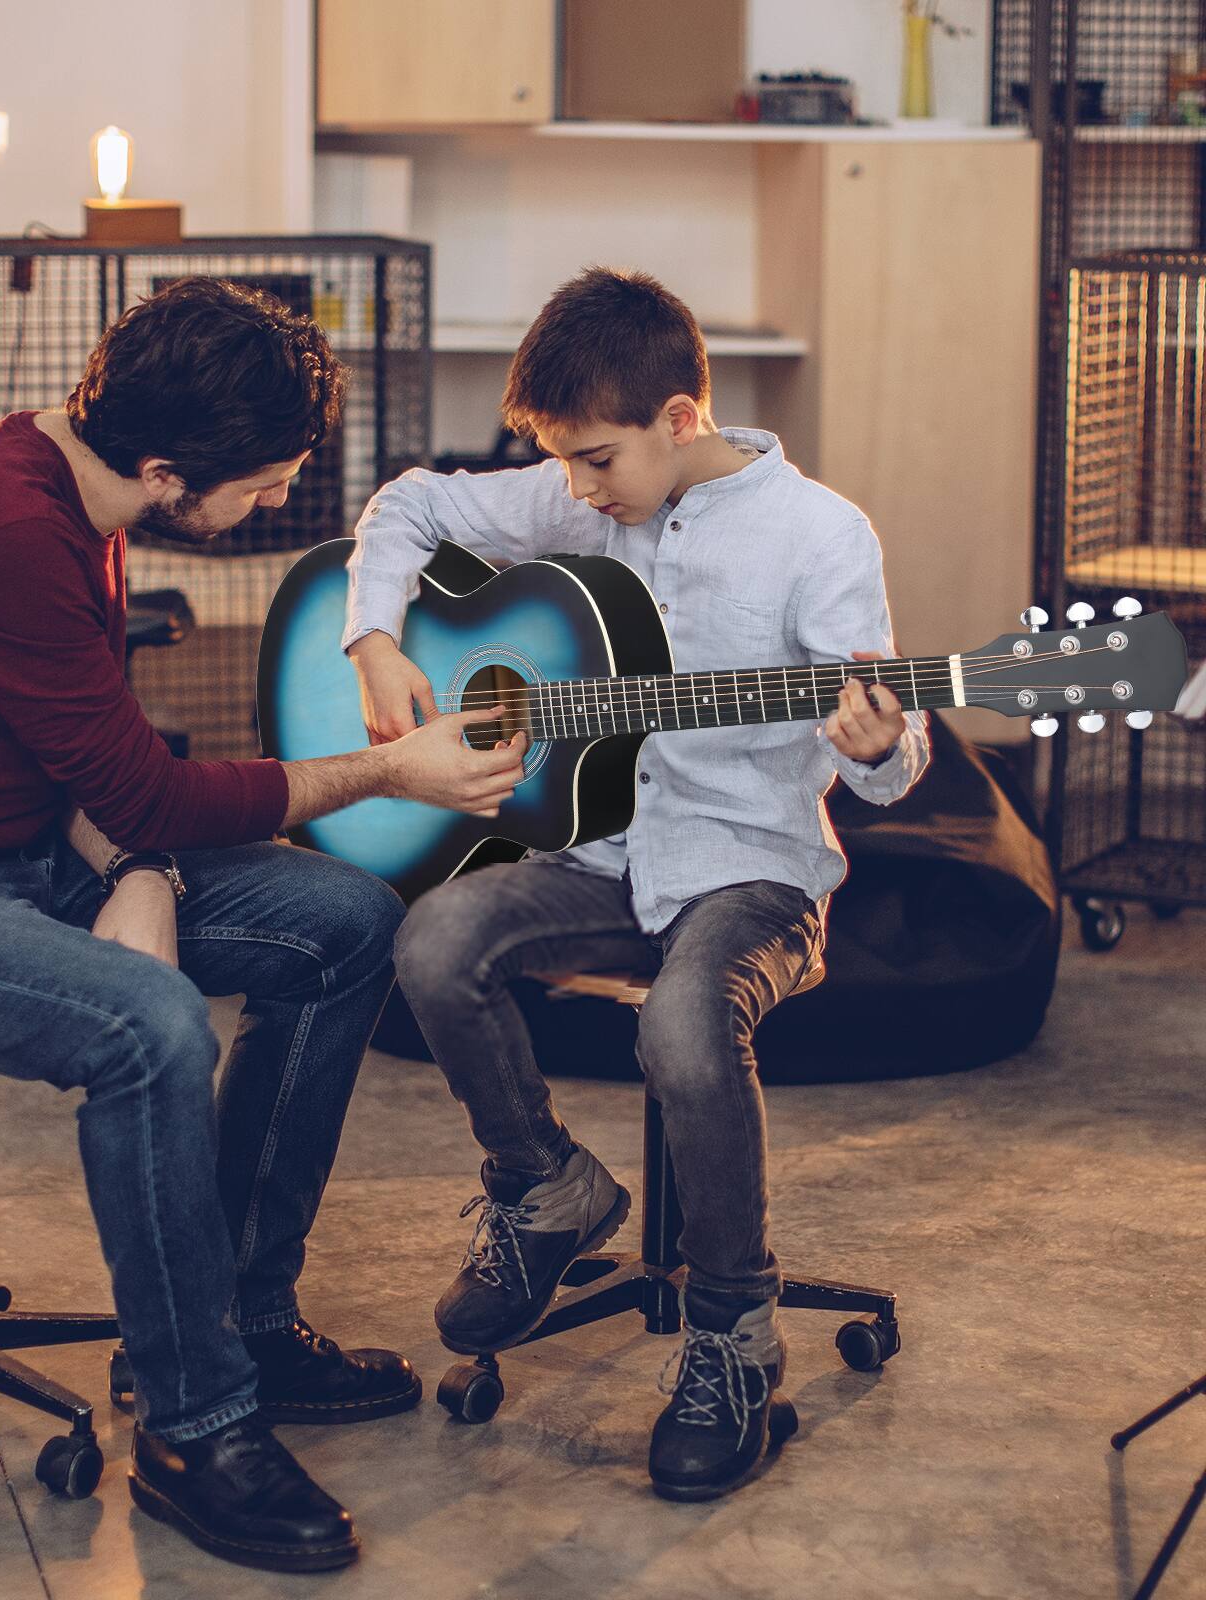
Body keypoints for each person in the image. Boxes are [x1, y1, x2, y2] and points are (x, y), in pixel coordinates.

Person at [0, 278, 525, 1573]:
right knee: (144, 1021)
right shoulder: (7, 528)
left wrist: (138, 865)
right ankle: (196, 1424)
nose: (273, 504)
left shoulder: (70, 494)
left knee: (343, 920)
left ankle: (245, 1322)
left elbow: (101, 772)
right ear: (163, 470)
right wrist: (387, 772)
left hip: (14, 851)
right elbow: (141, 785)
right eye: (263, 484)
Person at [343, 267, 930, 1503]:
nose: (575, 487)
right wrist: (377, 638)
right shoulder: (587, 503)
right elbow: (407, 505)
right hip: (610, 852)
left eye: (595, 458)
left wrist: (880, 746)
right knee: (434, 939)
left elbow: (887, 738)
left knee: (682, 1017)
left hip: (754, 869)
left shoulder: (820, 534)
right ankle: (546, 1187)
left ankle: (732, 1332)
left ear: (678, 418)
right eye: (560, 462)